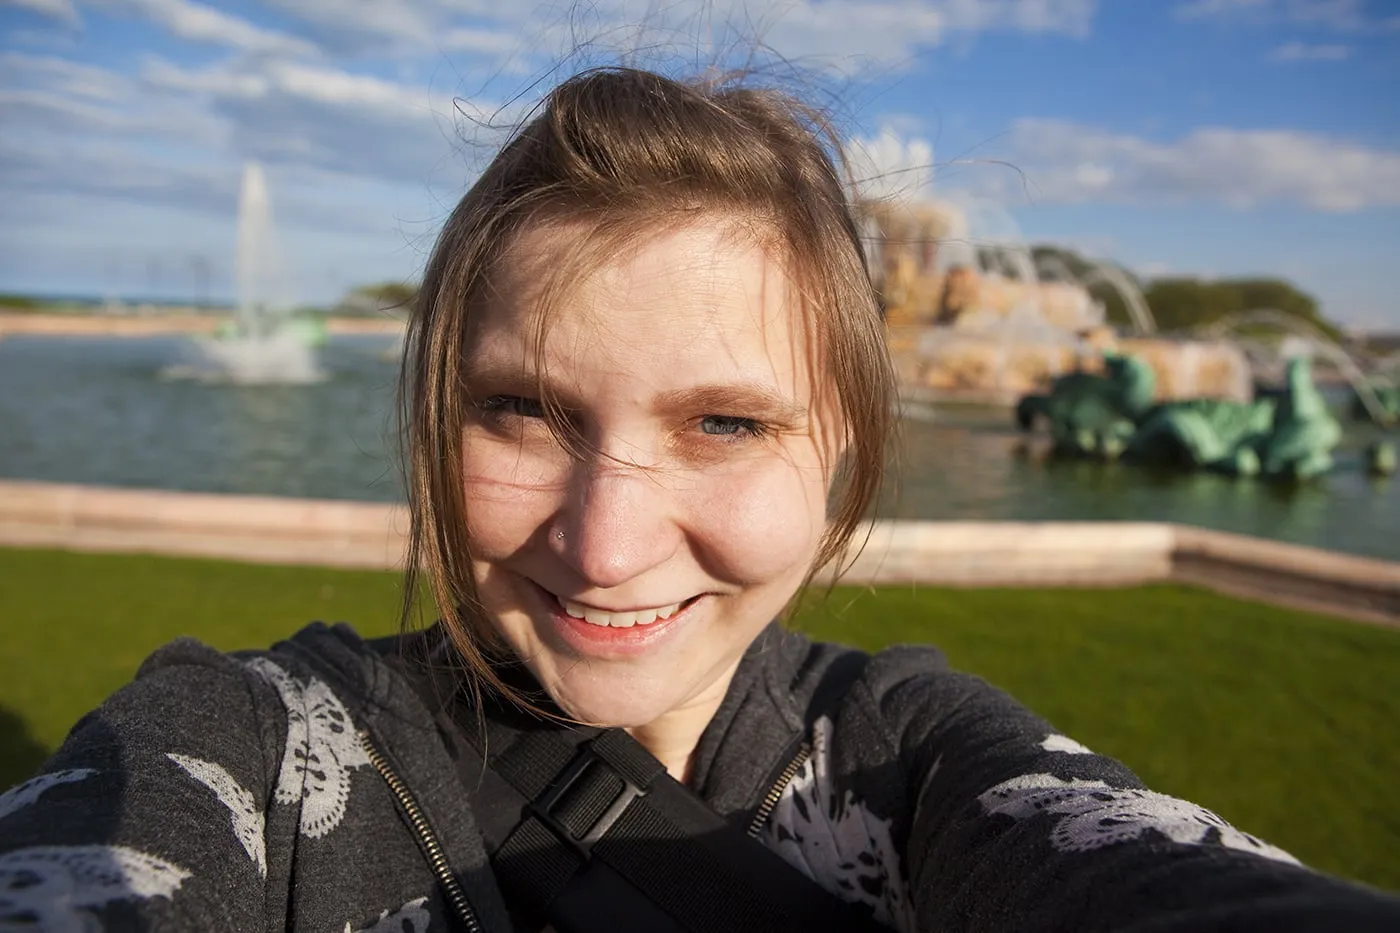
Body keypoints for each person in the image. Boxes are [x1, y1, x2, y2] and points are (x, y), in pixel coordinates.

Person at [1, 67, 1397, 933]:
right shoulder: (241, 743)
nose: (605, 544)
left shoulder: (917, 772)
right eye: (522, 410)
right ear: (437, 413)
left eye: (725, 421)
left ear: (841, 440)